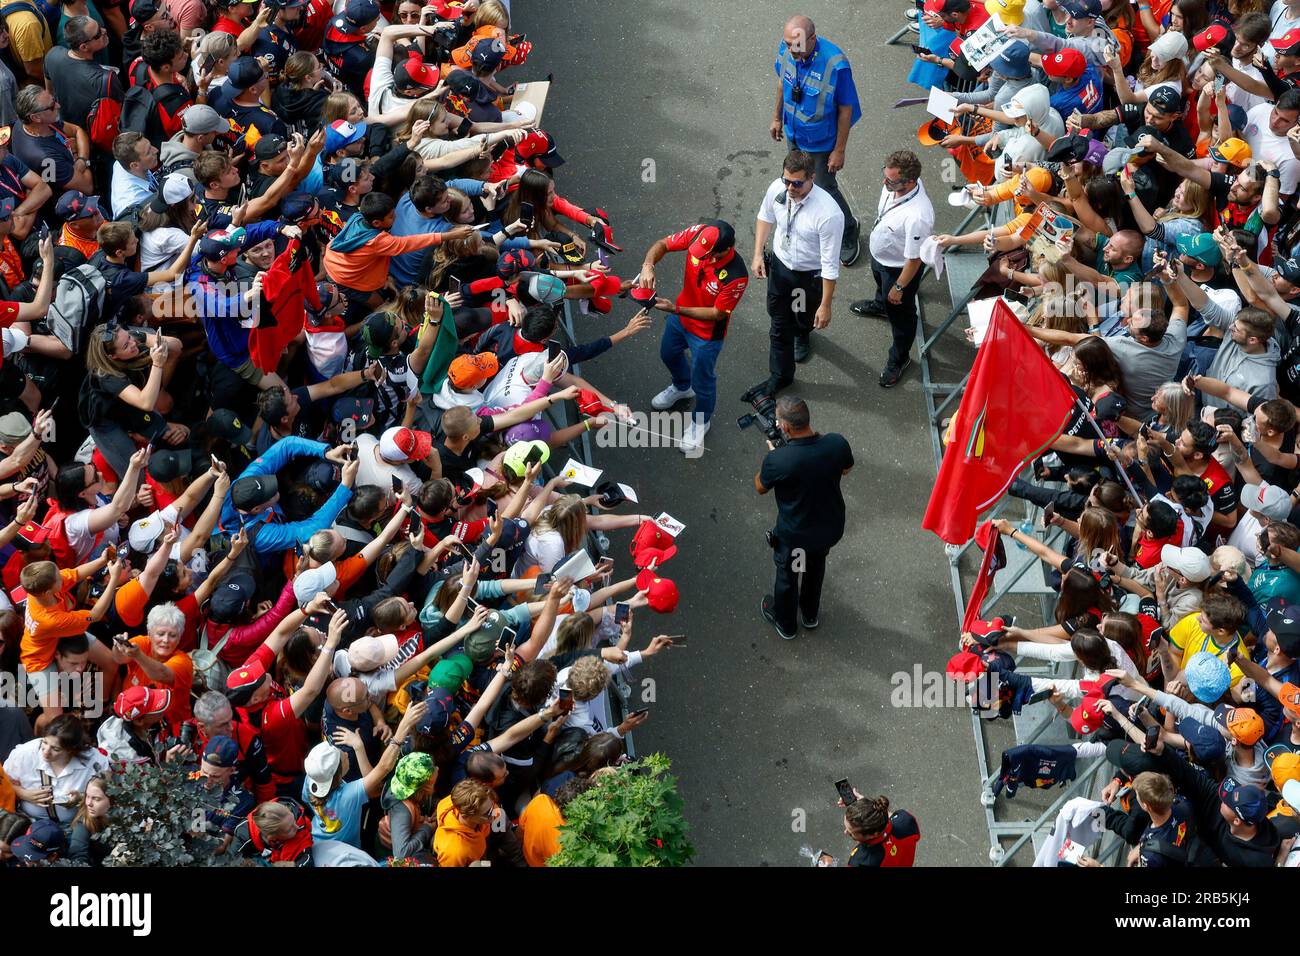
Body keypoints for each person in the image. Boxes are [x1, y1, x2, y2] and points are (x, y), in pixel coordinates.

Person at [636, 219, 750, 455]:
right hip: (680, 319)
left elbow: (718, 314)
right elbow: (662, 244)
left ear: (725, 250)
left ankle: (701, 422)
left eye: (708, 255)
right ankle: (681, 386)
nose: (701, 257)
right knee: (668, 353)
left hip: (707, 335)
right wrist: (648, 265)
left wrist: (675, 310)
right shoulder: (699, 233)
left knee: (704, 381)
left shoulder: (737, 276)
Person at [754, 396, 853, 640]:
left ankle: (786, 624)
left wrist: (773, 457)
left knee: (788, 576)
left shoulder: (779, 460)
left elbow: (760, 487)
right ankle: (810, 615)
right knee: (814, 567)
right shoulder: (836, 443)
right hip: (828, 528)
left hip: (796, 535)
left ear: (785, 427)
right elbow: (846, 469)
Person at [751, 148, 844, 396]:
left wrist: (826, 305)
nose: (791, 188)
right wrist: (758, 253)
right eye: (787, 181)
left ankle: (802, 334)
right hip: (781, 269)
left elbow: (830, 264)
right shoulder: (777, 189)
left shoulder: (829, 214)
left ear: (812, 177)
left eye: (797, 183)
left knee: (802, 317)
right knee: (778, 320)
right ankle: (781, 376)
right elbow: (764, 216)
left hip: (807, 277)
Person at [770, 14, 861, 266]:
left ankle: (849, 230)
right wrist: (776, 117)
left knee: (825, 187)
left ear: (812, 38)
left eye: (795, 46)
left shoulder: (836, 65)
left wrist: (839, 150)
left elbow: (846, 109)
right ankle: (802, 214)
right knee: (795, 177)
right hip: (794, 133)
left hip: (821, 143)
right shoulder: (788, 48)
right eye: (787, 44)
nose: (791, 50)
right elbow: (782, 82)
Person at [853, 149, 934, 389]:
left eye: (891, 180)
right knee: (883, 291)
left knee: (903, 315)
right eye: (885, 176)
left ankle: (899, 359)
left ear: (910, 182)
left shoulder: (918, 216)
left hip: (899, 270)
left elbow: (915, 259)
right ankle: (881, 305)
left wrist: (899, 287)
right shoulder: (896, 187)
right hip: (883, 258)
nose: (884, 182)